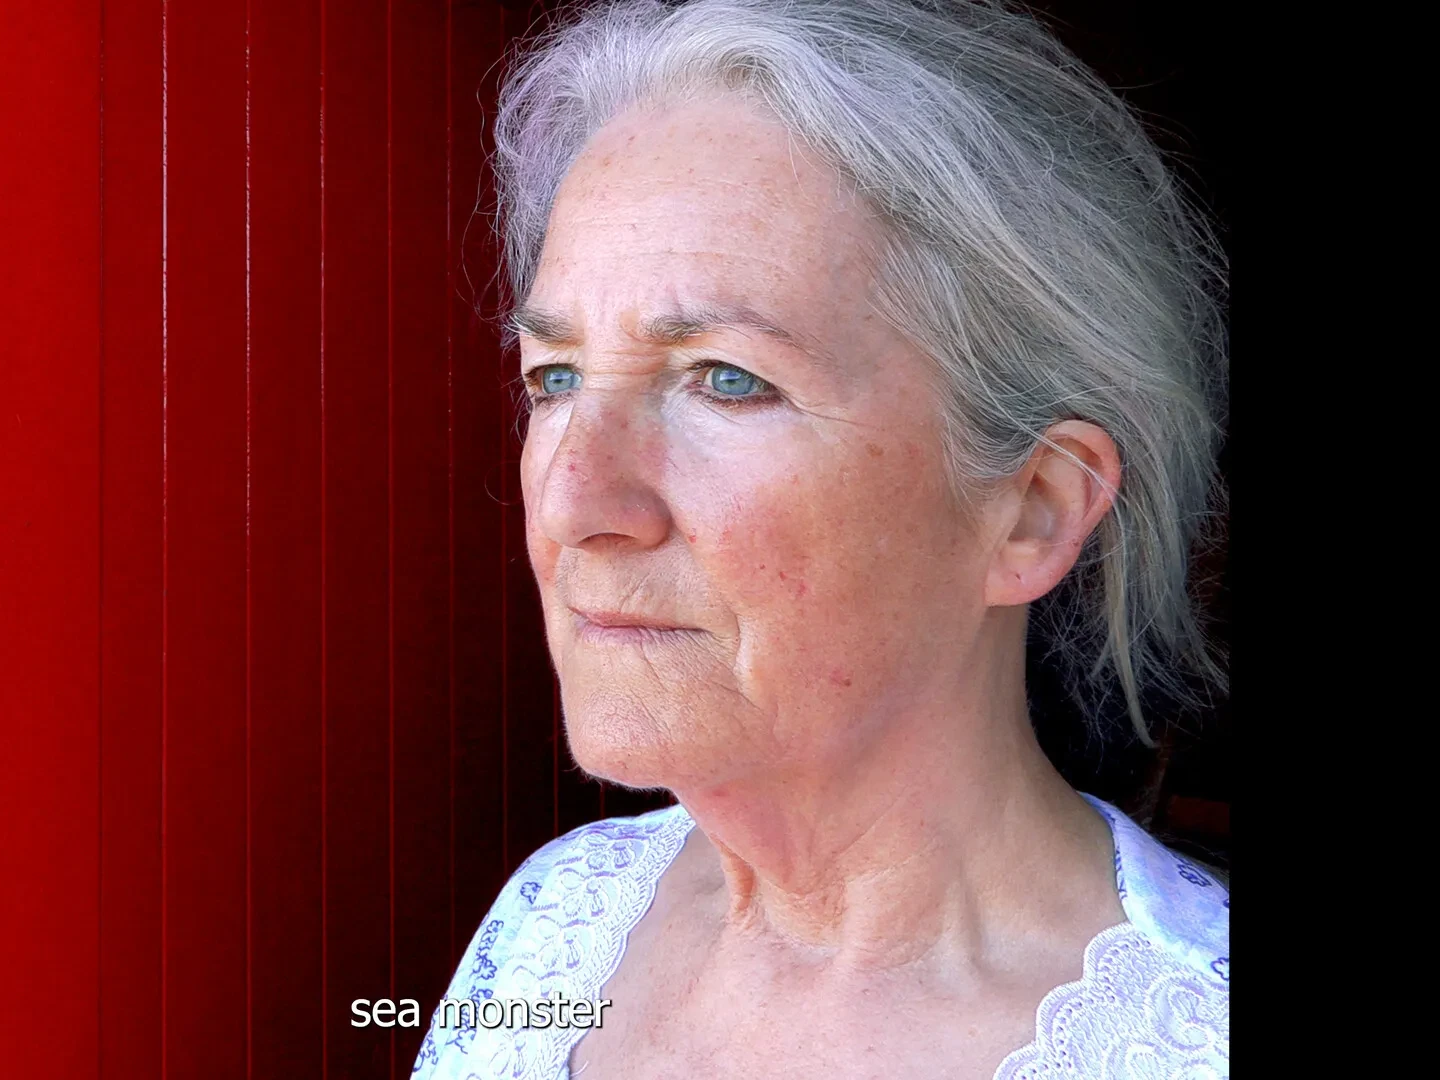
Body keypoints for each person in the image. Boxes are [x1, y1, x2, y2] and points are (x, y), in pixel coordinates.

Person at [411, 1, 1228, 1076]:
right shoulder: (557, 922)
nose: (574, 504)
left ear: (1032, 507)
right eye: (555, 378)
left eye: (727, 381)